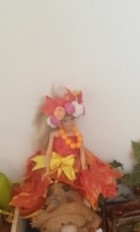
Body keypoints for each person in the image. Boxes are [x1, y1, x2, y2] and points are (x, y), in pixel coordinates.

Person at [11, 88, 120, 216]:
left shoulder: (77, 135)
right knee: (44, 186)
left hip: (72, 163)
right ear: (58, 121)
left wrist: (84, 168)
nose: (69, 123)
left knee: (80, 187)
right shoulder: (55, 134)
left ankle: (78, 209)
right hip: (55, 162)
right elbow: (48, 152)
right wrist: (47, 168)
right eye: (65, 120)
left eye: (71, 119)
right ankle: (53, 209)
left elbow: (82, 153)